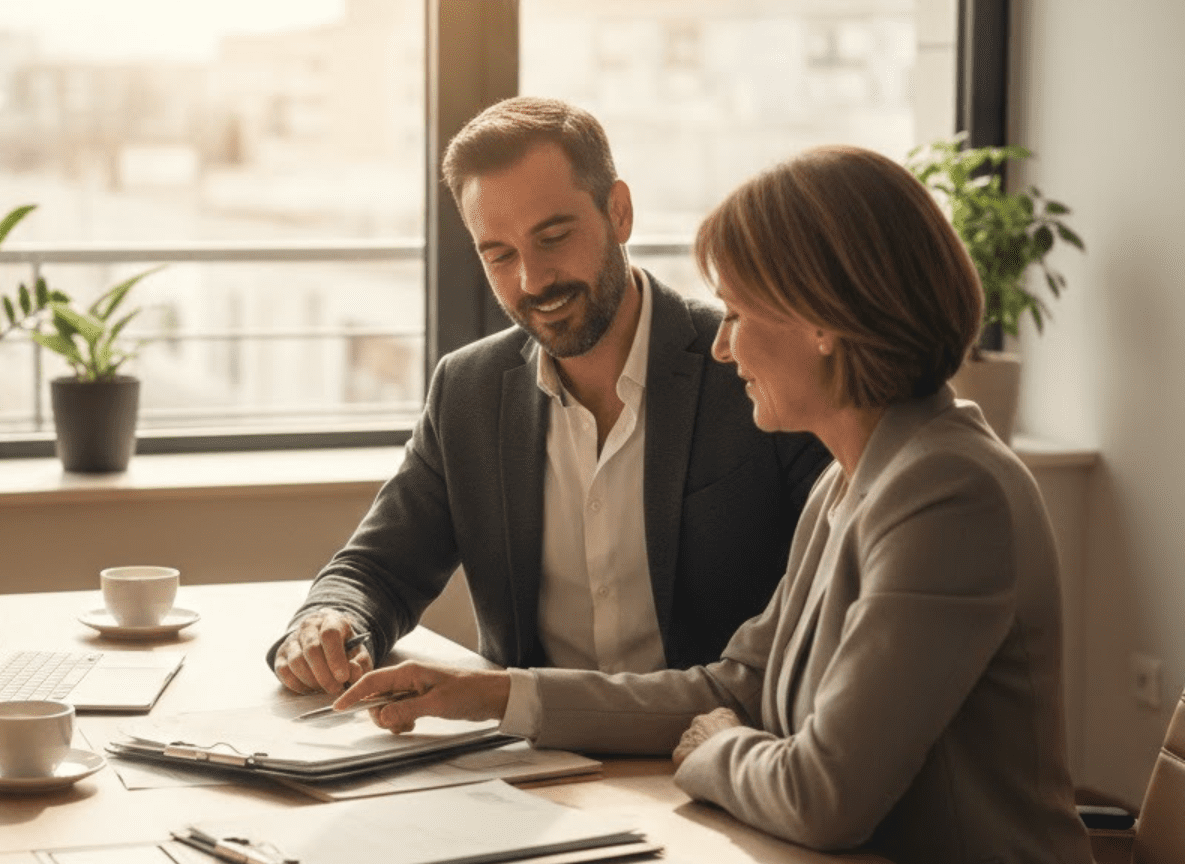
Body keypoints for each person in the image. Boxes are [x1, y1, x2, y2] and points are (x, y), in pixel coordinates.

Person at [333, 145, 1094, 864]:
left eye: (736, 312)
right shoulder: (852, 479)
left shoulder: (947, 493)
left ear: (822, 320)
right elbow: (735, 686)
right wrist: (493, 695)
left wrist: (712, 749)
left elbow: (825, 795)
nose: (722, 347)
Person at [271, 97, 831, 695]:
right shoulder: (468, 390)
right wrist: (327, 621)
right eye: (501, 255)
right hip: (528, 763)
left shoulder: (752, 369)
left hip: (712, 746)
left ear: (618, 212)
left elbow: (821, 620)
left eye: (554, 237)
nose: (532, 281)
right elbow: (378, 567)